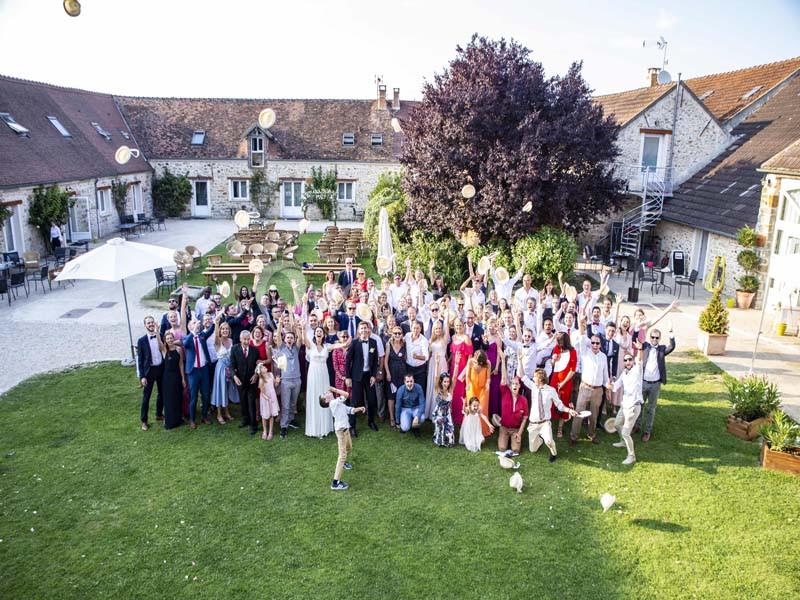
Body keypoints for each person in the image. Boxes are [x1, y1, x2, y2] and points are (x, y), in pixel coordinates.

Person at [522, 368, 578, 461]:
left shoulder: (551, 390)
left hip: (545, 423)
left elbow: (559, 405)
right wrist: (520, 360)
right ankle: (539, 440)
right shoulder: (533, 387)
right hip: (533, 424)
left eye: (534, 377)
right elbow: (522, 375)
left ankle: (554, 453)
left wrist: (569, 410)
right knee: (533, 450)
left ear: (540, 379)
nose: (533, 378)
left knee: (549, 441)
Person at [320, 386, 366, 491]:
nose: (327, 392)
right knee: (342, 455)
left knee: (349, 448)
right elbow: (346, 394)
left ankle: (344, 463)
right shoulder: (333, 403)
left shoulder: (337, 403)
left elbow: (348, 410)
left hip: (346, 430)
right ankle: (335, 483)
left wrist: (358, 409)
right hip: (341, 432)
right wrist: (335, 390)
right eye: (324, 394)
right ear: (326, 400)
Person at [570, 324, 609, 445]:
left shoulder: (603, 357)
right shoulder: (585, 352)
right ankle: (573, 436)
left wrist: (608, 385)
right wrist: (581, 321)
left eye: (597, 343)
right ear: (590, 343)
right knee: (579, 412)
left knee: (594, 414)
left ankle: (591, 434)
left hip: (598, 390)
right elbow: (582, 337)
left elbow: (605, 374)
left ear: (600, 344)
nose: (595, 345)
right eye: (593, 343)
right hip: (585, 387)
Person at [637, 324, 676, 442]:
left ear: (659, 338)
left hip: (655, 384)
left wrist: (671, 332)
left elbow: (672, 346)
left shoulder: (662, 349)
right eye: (652, 337)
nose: (654, 339)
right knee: (639, 405)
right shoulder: (645, 346)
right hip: (644, 382)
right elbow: (637, 339)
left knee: (651, 408)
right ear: (650, 337)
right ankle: (637, 425)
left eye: (657, 338)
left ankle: (647, 431)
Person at [608, 348, 644, 465]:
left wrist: (639, 349)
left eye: (630, 360)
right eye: (625, 360)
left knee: (625, 432)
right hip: (625, 405)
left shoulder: (637, 370)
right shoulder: (624, 373)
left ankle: (631, 455)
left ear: (633, 361)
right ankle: (623, 442)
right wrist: (610, 385)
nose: (627, 362)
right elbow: (616, 386)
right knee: (617, 424)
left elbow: (640, 360)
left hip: (634, 406)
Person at [345, 321, 379, 435]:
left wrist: (374, 375)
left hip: (368, 376)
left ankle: (371, 421)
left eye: (366, 328)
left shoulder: (373, 342)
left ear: (369, 330)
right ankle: (352, 426)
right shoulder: (354, 343)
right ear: (359, 331)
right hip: (356, 376)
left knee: (372, 400)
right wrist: (348, 377)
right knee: (354, 401)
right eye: (362, 328)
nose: (364, 330)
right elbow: (348, 360)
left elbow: (375, 361)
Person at [303, 324, 336, 438]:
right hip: (313, 374)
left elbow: (338, 345)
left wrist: (346, 343)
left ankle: (325, 427)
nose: (319, 332)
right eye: (317, 331)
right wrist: (303, 328)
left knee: (324, 396)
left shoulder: (327, 346)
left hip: (323, 374)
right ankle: (314, 428)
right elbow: (304, 339)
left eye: (321, 331)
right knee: (314, 397)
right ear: (315, 334)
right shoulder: (310, 345)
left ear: (323, 334)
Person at [182, 317, 214, 429]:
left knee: (205, 395)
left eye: (197, 323)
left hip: (204, 369)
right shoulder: (187, 338)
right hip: (193, 371)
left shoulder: (202, 336)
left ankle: (204, 416)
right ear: (189, 326)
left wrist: (217, 319)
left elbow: (211, 329)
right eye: (194, 323)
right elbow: (185, 344)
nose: (197, 325)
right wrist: (193, 331)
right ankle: (192, 419)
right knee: (193, 396)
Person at [273, 325, 302, 439]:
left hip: (297, 379)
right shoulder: (281, 348)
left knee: (293, 403)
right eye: (288, 337)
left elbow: (300, 338)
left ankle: (290, 420)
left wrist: (298, 327)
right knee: (285, 404)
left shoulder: (296, 348)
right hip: (286, 381)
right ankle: (283, 426)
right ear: (284, 339)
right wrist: (280, 324)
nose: (289, 339)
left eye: (291, 338)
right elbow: (279, 336)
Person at [136, 315, 165, 430]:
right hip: (149, 371)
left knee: (161, 393)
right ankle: (144, 420)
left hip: (160, 368)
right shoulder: (141, 340)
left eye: (152, 322)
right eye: (148, 323)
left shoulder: (160, 336)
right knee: (146, 397)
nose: (151, 324)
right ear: (145, 326)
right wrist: (142, 376)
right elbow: (140, 360)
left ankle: (158, 414)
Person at [231, 330, 260, 435]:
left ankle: (253, 424)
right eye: (244, 339)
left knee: (251, 402)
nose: (246, 341)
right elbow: (232, 365)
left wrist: (256, 375)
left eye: (248, 339)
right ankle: (245, 419)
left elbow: (258, 365)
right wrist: (234, 376)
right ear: (240, 339)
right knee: (243, 401)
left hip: (252, 381)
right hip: (240, 381)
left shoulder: (255, 350)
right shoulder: (234, 349)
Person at [210, 317, 238, 424]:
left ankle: (226, 412)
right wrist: (217, 324)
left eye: (227, 329)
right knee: (220, 390)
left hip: (229, 368)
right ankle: (219, 414)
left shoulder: (231, 341)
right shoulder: (218, 341)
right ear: (220, 331)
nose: (225, 331)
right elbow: (216, 336)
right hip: (221, 368)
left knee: (227, 389)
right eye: (223, 329)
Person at [549, 331, 577, 438]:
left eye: (559, 341)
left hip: (566, 382)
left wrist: (563, 382)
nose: (557, 343)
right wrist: (553, 359)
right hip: (554, 380)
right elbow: (552, 363)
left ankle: (560, 427)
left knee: (563, 402)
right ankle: (549, 425)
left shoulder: (572, 351)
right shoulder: (557, 348)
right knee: (551, 401)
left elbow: (572, 370)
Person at [497, 372, 529, 455]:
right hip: (504, 427)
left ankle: (513, 440)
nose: (514, 385)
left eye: (516, 384)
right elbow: (503, 378)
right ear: (510, 386)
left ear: (519, 386)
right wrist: (503, 361)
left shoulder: (523, 400)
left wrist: (519, 434)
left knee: (515, 450)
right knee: (502, 448)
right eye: (512, 384)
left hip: (516, 429)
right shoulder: (505, 393)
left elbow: (525, 419)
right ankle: (504, 437)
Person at [462, 350, 491, 437]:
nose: (480, 364)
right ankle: (470, 431)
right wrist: (467, 385)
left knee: (482, 408)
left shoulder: (488, 363)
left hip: (483, 389)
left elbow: (488, 378)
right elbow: (467, 376)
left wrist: (488, 384)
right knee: (471, 408)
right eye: (478, 362)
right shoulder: (470, 361)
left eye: (481, 363)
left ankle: (482, 431)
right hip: (472, 387)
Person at [384, 324, 407, 429]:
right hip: (392, 374)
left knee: (401, 395)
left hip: (402, 374)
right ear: (392, 334)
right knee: (391, 397)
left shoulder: (404, 345)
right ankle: (392, 418)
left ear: (402, 335)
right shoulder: (389, 345)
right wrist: (388, 373)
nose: (397, 335)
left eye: (399, 333)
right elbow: (385, 361)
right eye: (395, 333)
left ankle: (401, 417)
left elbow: (406, 358)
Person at [161, 330, 186, 430]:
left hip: (177, 376)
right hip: (167, 378)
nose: (169, 340)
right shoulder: (164, 350)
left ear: (173, 339)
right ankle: (169, 421)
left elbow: (181, 364)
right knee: (169, 399)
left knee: (177, 397)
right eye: (167, 339)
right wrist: (157, 331)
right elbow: (159, 342)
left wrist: (183, 378)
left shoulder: (179, 349)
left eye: (171, 338)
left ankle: (178, 419)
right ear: (165, 340)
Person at [425, 320, 449, 418]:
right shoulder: (430, 341)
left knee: (441, 385)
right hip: (432, 364)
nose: (438, 330)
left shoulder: (444, 339)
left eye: (439, 328)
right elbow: (429, 355)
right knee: (432, 384)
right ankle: (431, 411)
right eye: (436, 328)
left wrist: (445, 311)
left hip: (442, 363)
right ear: (433, 329)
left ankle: (441, 410)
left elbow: (447, 326)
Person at [404, 320, 430, 402]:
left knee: (420, 388)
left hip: (420, 369)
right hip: (409, 368)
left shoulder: (424, 340)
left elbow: (426, 357)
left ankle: (420, 410)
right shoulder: (407, 336)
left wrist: (417, 357)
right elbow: (400, 341)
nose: (415, 330)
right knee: (409, 387)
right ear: (411, 328)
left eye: (417, 328)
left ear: (420, 329)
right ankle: (410, 406)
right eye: (414, 328)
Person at [257, 364, 280, 440]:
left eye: (264, 366)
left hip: (272, 396)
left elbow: (275, 385)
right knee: (264, 415)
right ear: (260, 372)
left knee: (271, 415)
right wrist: (268, 399)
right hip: (265, 398)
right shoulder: (261, 380)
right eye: (263, 367)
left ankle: (270, 432)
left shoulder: (270, 374)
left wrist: (277, 381)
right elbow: (262, 393)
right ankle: (264, 431)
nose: (265, 367)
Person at [432, 373, 455, 447]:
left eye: (448, 382)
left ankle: (447, 440)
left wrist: (457, 365)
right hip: (439, 414)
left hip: (447, 414)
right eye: (445, 381)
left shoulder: (450, 390)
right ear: (441, 382)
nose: (447, 383)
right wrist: (437, 363)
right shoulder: (437, 390)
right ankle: (439, 439)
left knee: (449, 432)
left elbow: (454, 377)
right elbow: (436, 377)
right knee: (440, 427)